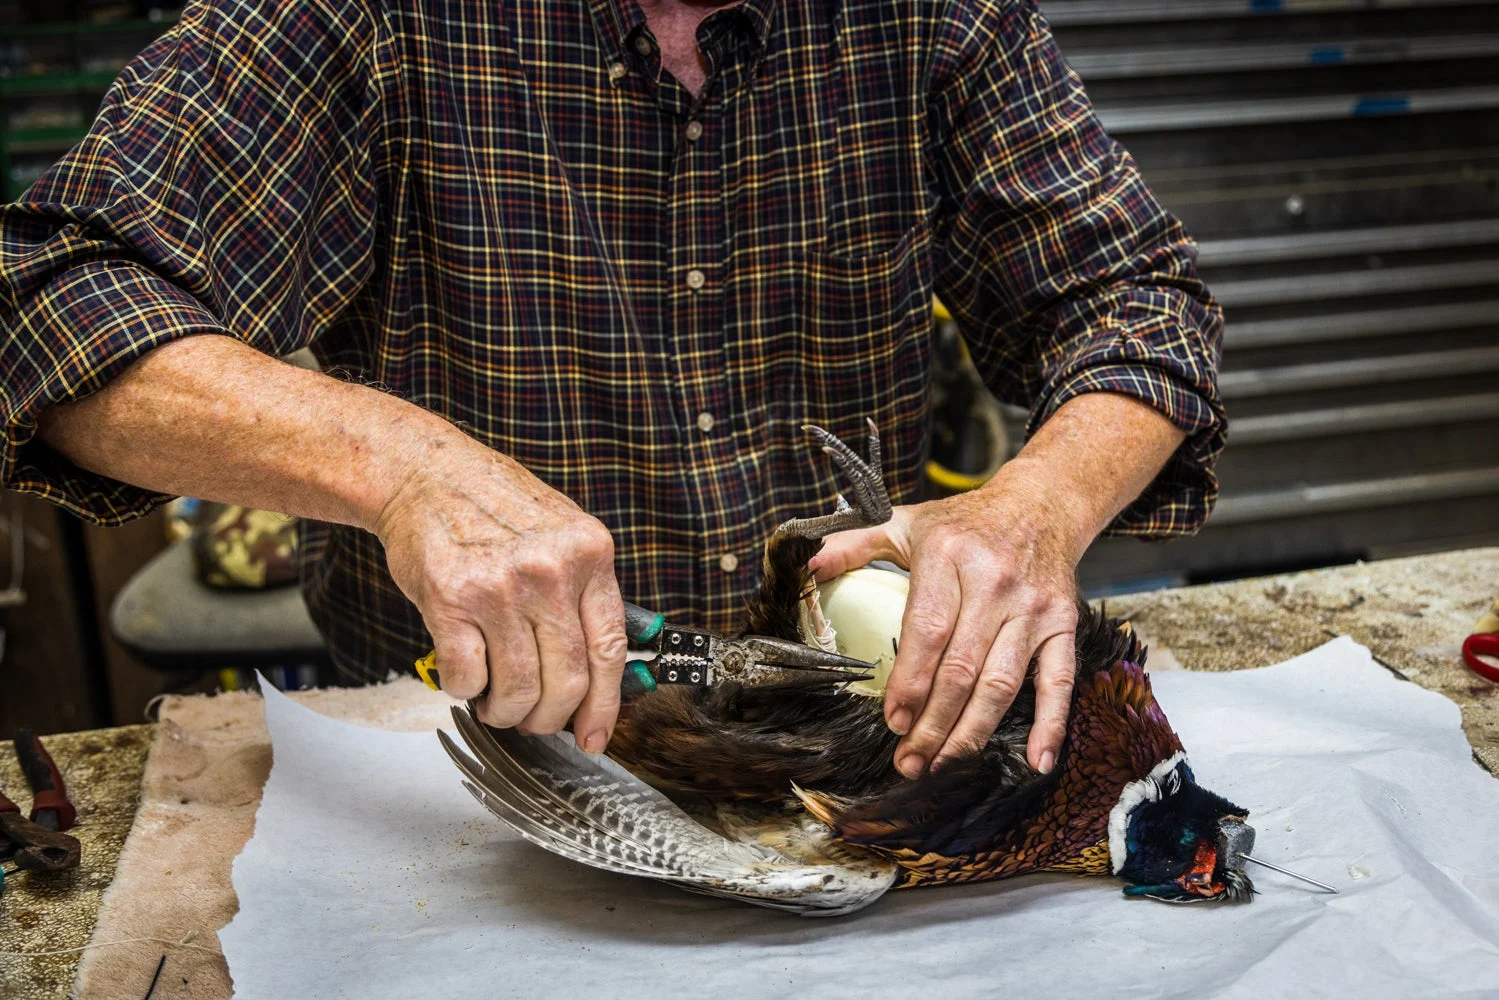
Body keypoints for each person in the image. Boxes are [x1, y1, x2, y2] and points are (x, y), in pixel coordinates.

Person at [0, 0, 1223, 782]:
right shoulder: (364, 20)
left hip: (853, 739)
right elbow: (47, 300)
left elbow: (1138, 301)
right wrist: (405, 469)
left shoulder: (933, 20)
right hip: (461, 751)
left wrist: (1034, 509)